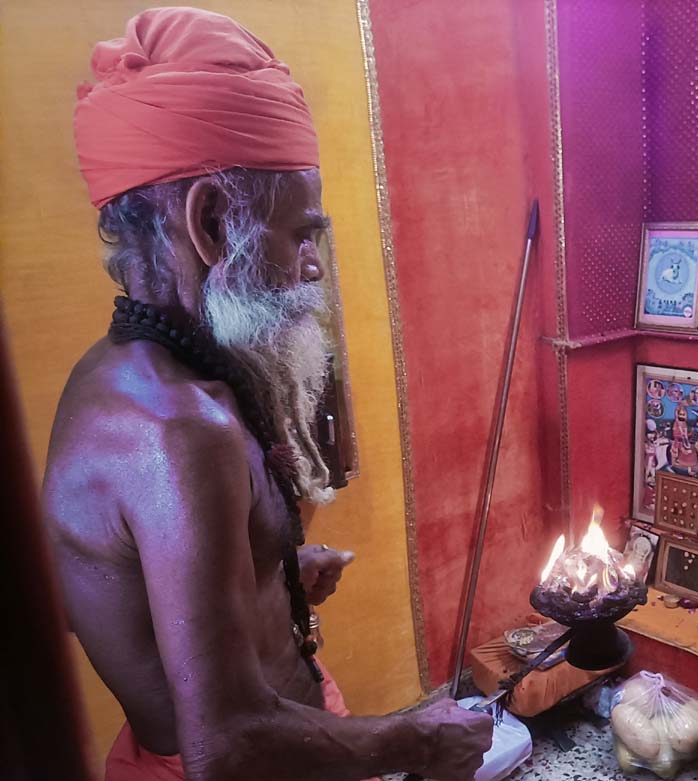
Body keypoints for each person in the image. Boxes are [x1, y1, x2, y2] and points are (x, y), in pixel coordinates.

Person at [43, 8, 491, 780]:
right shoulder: (177, 430)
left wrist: (273, 568)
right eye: (301, 234)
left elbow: (151, 596)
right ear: (212, 223)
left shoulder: (126, 374)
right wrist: (418, 739)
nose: (314, 266)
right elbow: (229, 742)